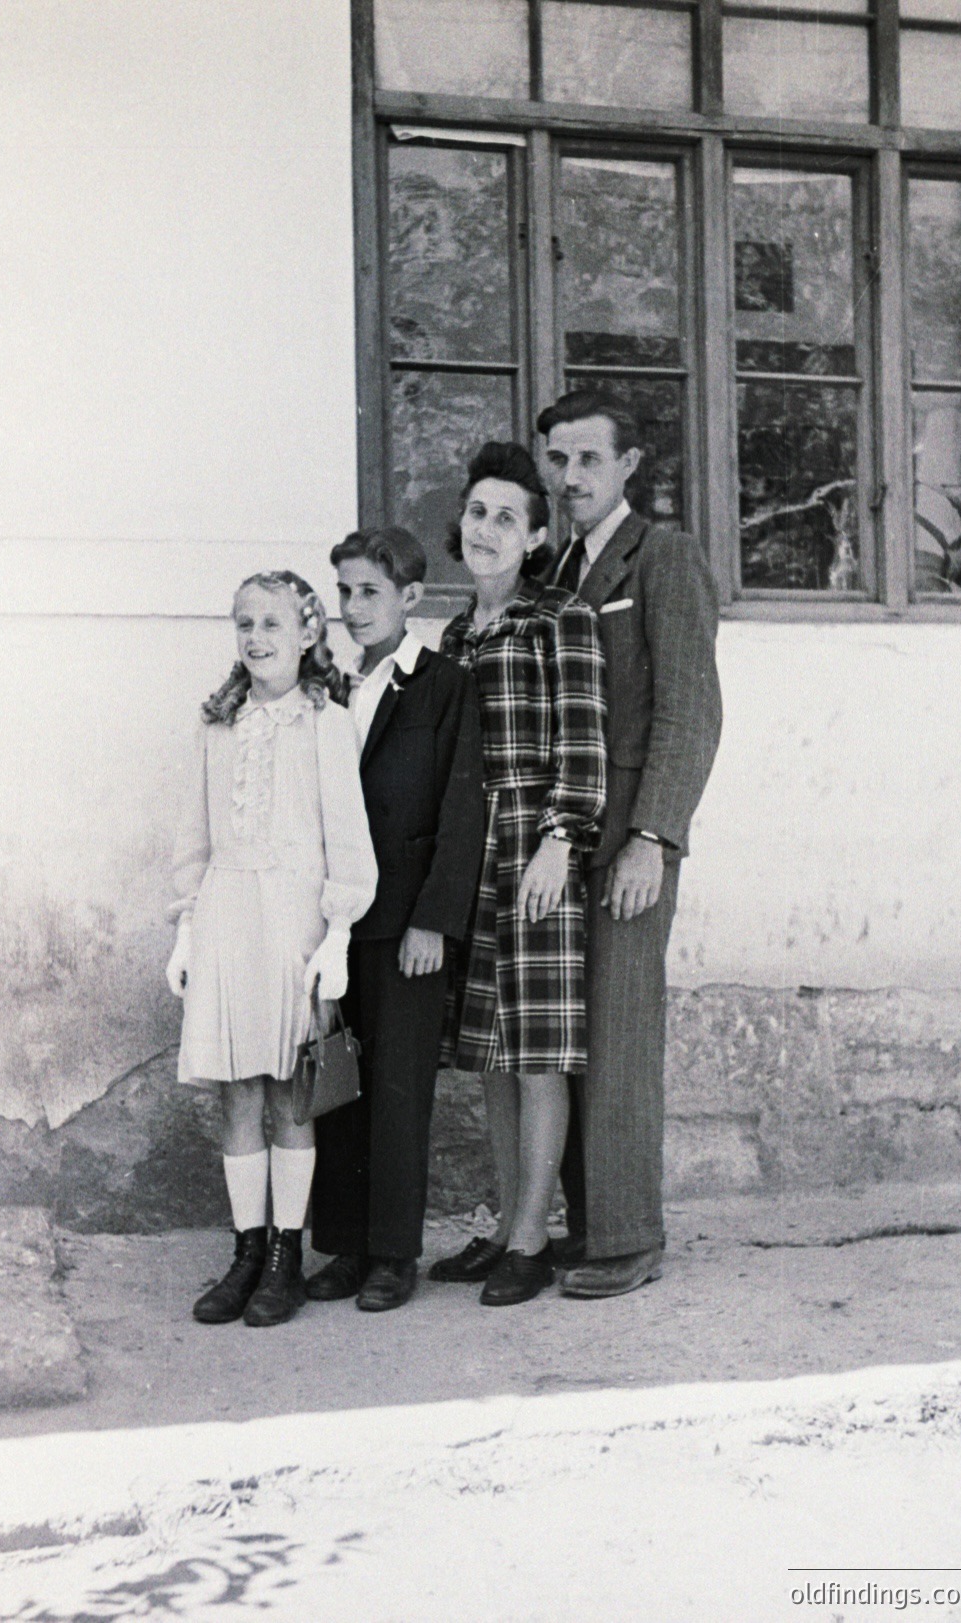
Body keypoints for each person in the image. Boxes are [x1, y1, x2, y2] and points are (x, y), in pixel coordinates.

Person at [536, 389, 722, 1299]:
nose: (569, 477)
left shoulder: (664, 557)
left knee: (617, 1029)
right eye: (557, 460)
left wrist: (654, 834)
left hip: (629, 840)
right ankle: (582, 1223)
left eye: (587, 460)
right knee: (570, 1034)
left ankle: (626, 1236)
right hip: (561, 840)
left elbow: (691, 710)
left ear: (627, 467)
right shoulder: (554, 567)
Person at [166, 570, 377, 1328]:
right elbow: (192, 835)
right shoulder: (216, 723)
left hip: (293, 920)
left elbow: (348, 839)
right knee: (237, 1090)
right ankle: (246, 1250)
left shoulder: (325, 721)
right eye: (244, 624)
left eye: (272, 625)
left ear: (307, 634)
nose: (257, 638)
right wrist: (187, 926)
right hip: (226, 912)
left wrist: (339, 934)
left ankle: (287, 1254)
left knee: (290, 1090)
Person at [429, 441, 608, 1307]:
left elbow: (583, 744)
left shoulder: (560, 617)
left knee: (537, 1053)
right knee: (491, 1055)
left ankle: (533, 1240)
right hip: (471, 852)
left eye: (507, 516)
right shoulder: (456, 633)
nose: (488, 528)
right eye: (477, 512)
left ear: (535, 536)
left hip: (536, 849)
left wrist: (560, 842)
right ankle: (504, 1225)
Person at [306, 526, 484, 1312]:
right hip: (330, 919)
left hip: (404, 922)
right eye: (343, 591)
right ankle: (342, 1246)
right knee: (337, 1084)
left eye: (369, 591)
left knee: (397, 1090)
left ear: (410, 598)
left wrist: (432, 921)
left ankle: (391, 1255)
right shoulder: (327, 688)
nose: (353, 607)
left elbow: (461, 808)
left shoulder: (443, 685)